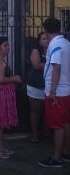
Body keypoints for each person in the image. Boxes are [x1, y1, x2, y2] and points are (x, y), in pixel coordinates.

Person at [38, 17, 70, 168]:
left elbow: (56, 67)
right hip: (66, 90)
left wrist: (52, 91)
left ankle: (56, 158)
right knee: (66, 122)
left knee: (57, 125)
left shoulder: (55, 44)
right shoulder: (66, 42)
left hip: (58, 91)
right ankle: (66, 152)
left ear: (46, 30)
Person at [0, 36, 22, 159]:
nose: (8, 48)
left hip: (2, 92)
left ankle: (0, 147)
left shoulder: (0, 58)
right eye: (5, 46)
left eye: (8, 45)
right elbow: (1, 79)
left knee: (0, 122)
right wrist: (15, 78)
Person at [26, 32, 48, 143]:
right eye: (44, 39)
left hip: (48, 86)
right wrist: (50, 64)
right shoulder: (36, 51)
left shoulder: (52, 50)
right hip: (36, 85)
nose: (47, 40)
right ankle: (34, 134)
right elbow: (37, 65)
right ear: (39, 41)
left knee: (47, 111)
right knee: (36, 110)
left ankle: (45, 132)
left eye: (47, 38)